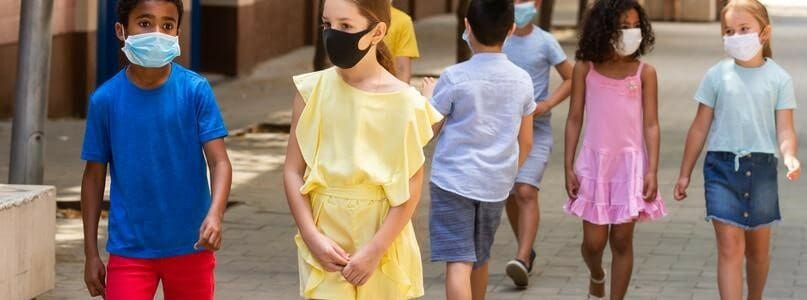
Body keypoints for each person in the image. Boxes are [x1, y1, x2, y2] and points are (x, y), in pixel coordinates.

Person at [283, 0, 442, 298]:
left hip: (383, 241)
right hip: (326, 239)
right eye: (327, 25)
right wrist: (311, 235)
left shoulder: (406, 102)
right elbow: (293, 170)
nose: (333, 34)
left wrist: (375, 250)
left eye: (346, 26)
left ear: (377, 32)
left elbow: (411, 185)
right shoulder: (310, 91)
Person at [81, 0, 232, 299]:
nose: (157, 33)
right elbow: (93, 178)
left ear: (178, 31)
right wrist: (90, 254)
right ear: (121, 30)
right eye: (145, 23)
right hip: (130, 250)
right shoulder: (105, 100)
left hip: (191, 246)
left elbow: (220, 163)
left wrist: (215, 215)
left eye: (167, 25)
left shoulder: (195, 91)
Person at [673, 1, 800, 299]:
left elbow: (785, 127)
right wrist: (684, 174)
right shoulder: (717, 75)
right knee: (729, 247)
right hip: (721, 168)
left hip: (762, 170)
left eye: (745, 29)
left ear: (764, 33)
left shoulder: (779, 78)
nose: (736, 36)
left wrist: (790, 154)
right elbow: (699, 127)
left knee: (757, 251)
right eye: (729, 31)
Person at [425, 0, 535, 298]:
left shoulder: (454, 76)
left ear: (467, 27)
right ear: (511, 29)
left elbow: (428, 129)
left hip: (453, 183)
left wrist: (426, 97)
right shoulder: (523, 80)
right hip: (495, 186)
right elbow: (526, 142)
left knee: (458, 263)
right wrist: (506, 173)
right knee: (480, 258)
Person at [563, 0, 666, 299]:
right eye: (624, 26)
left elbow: (652, 125)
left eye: (636, 27)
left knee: (622, 240)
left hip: (630, 167)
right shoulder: (586, 69)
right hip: (595, 165)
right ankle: (596, 274)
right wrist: (568, 165)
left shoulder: (645, 73)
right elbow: (574, 118)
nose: (631, 33)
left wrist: (653, 170)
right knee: (593, 243)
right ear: (604, 27)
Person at [501, 0, 573, 288]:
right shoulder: (497, 39)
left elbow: (571, 78)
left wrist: (546, 104)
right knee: (509, 194)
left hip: (537, 130)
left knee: (526, 189)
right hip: (503, 133)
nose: (520, 5)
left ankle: (521, 258)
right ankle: (526, 249)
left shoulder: (545, 41)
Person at [384, 0, 421, 83]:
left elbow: (402, 68)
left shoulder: (402, 21)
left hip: (387, 87)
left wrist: (402, 93)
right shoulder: (353, 18)